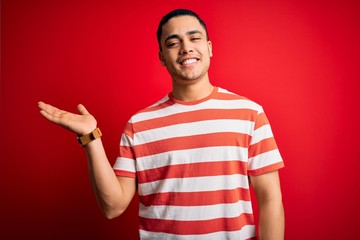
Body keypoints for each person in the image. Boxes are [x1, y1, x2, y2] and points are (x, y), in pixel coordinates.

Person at [38, 9, 284, 240]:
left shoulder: (249, 113)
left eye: (194, 38)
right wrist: (91, 137)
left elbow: (270, 198)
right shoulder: (139, 125)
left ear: (209, 48)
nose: (186, 48)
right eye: (173, 43)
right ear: (162, 57)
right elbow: (112, 207)